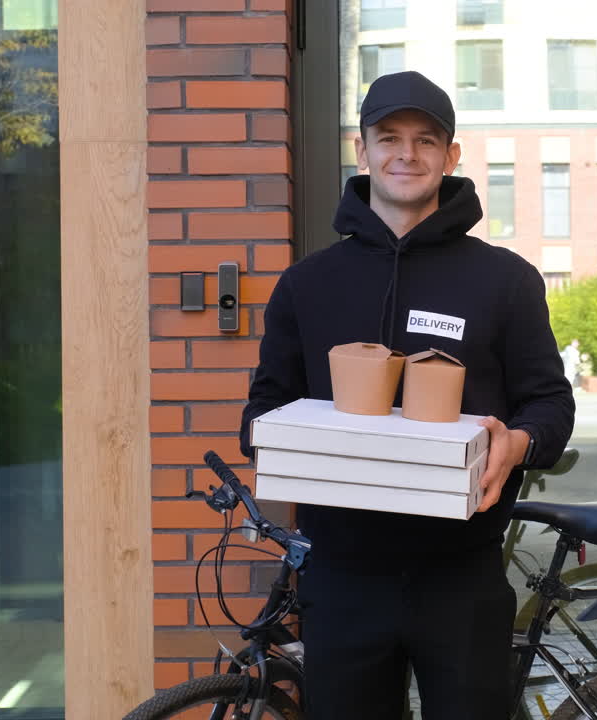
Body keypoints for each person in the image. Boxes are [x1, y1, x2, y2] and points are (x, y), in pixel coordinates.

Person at [239, 71, 574, 719]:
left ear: (451, 157)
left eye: (426, 140)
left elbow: (550, 406)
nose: (406, 153)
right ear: (361, 151)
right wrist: (287, 440)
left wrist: (519, 442)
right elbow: (260, 412)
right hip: (341, 579)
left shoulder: (504, 281)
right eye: (388, 137)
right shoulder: (307, 285)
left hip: (462, 574)